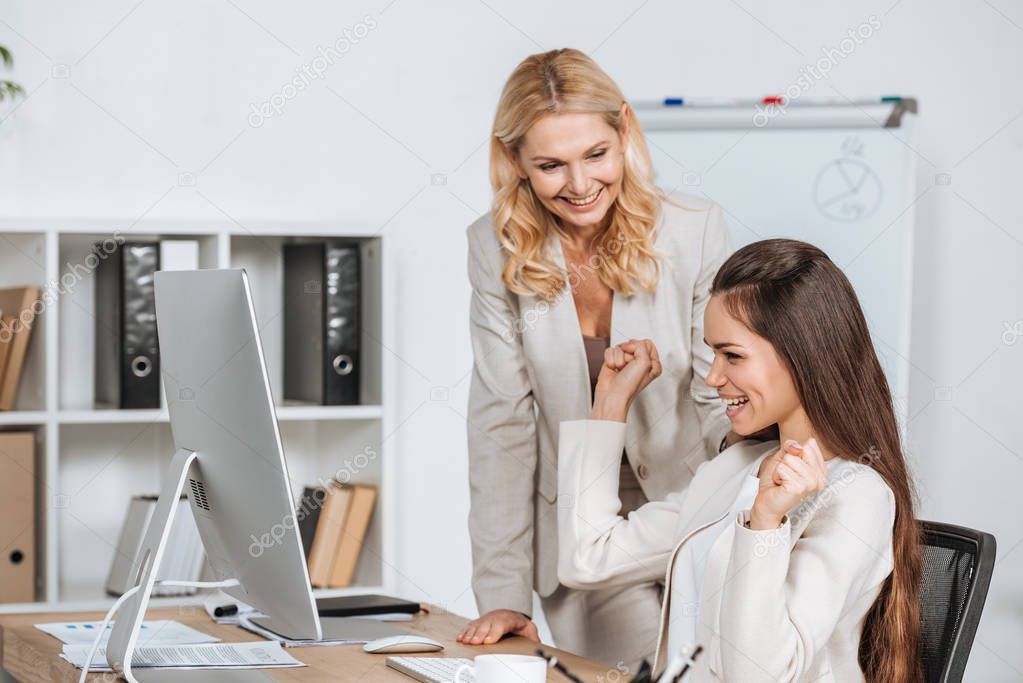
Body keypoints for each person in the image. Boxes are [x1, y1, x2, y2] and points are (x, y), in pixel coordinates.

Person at [457, 47, 738, 666]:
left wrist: (748, 492)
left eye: (596, 155)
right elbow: (500, 424)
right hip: (583, 531)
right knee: (643, 666)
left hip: (689, 510)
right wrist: (503, 592)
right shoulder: (495, 249)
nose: (580, 185)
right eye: (551, 165)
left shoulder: (693, 230)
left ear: (625, 131)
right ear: (514, 162)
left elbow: (718, 396)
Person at [557, 239, 923, 681]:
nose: (713, 376)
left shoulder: (857, 496)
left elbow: (758, 674)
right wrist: (609, 408)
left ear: (801, 355)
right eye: (713, 352)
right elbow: (589, 558)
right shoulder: (736, 468)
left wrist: (765, 524)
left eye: (732, 355)